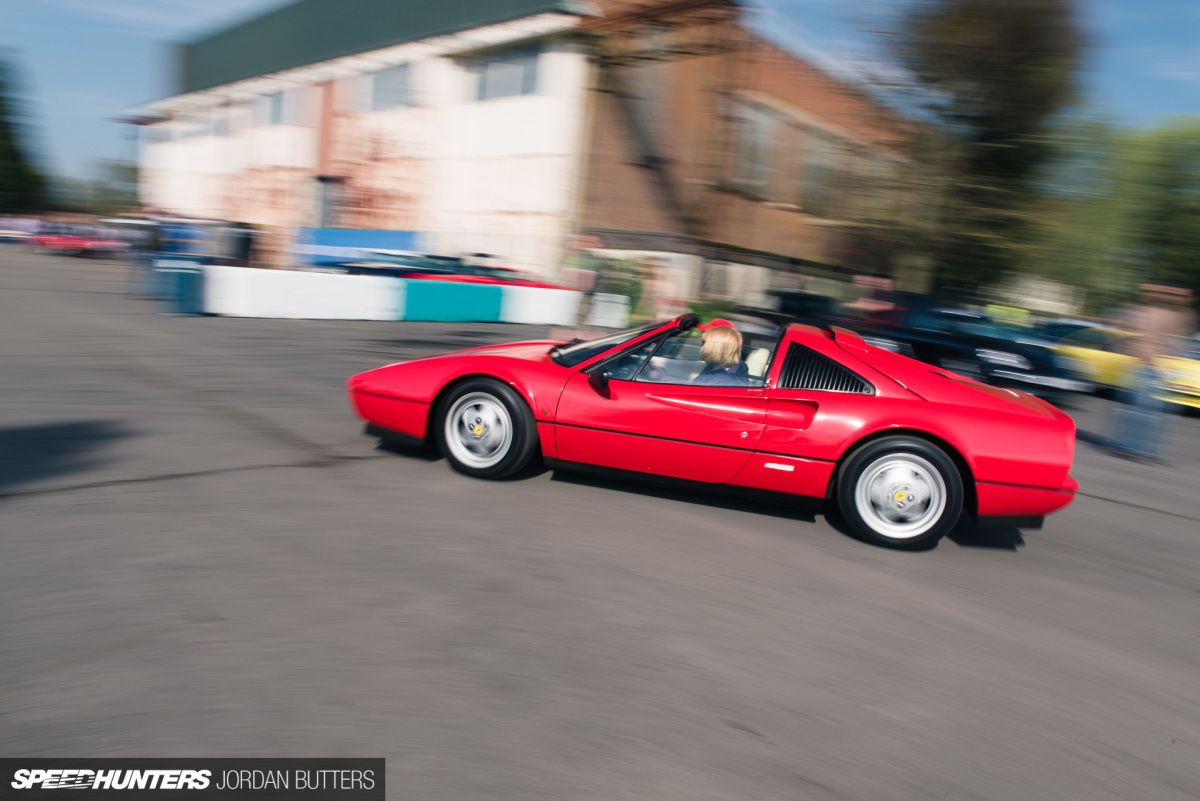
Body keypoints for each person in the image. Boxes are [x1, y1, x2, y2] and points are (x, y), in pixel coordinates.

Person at [1109, 284, 1197, 463]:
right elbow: (1139, 337)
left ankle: (1140, 448)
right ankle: (1133, 448)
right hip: (1148, 367)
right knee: (1143, 411)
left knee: (1150, 412)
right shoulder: (1148, 313)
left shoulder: (1164, 314)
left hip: (1160, 368)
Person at [692, 320, 750, 386]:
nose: (701, 344)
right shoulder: (713, 367)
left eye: (704, 342)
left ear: (716, 347)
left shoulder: (722, 381)